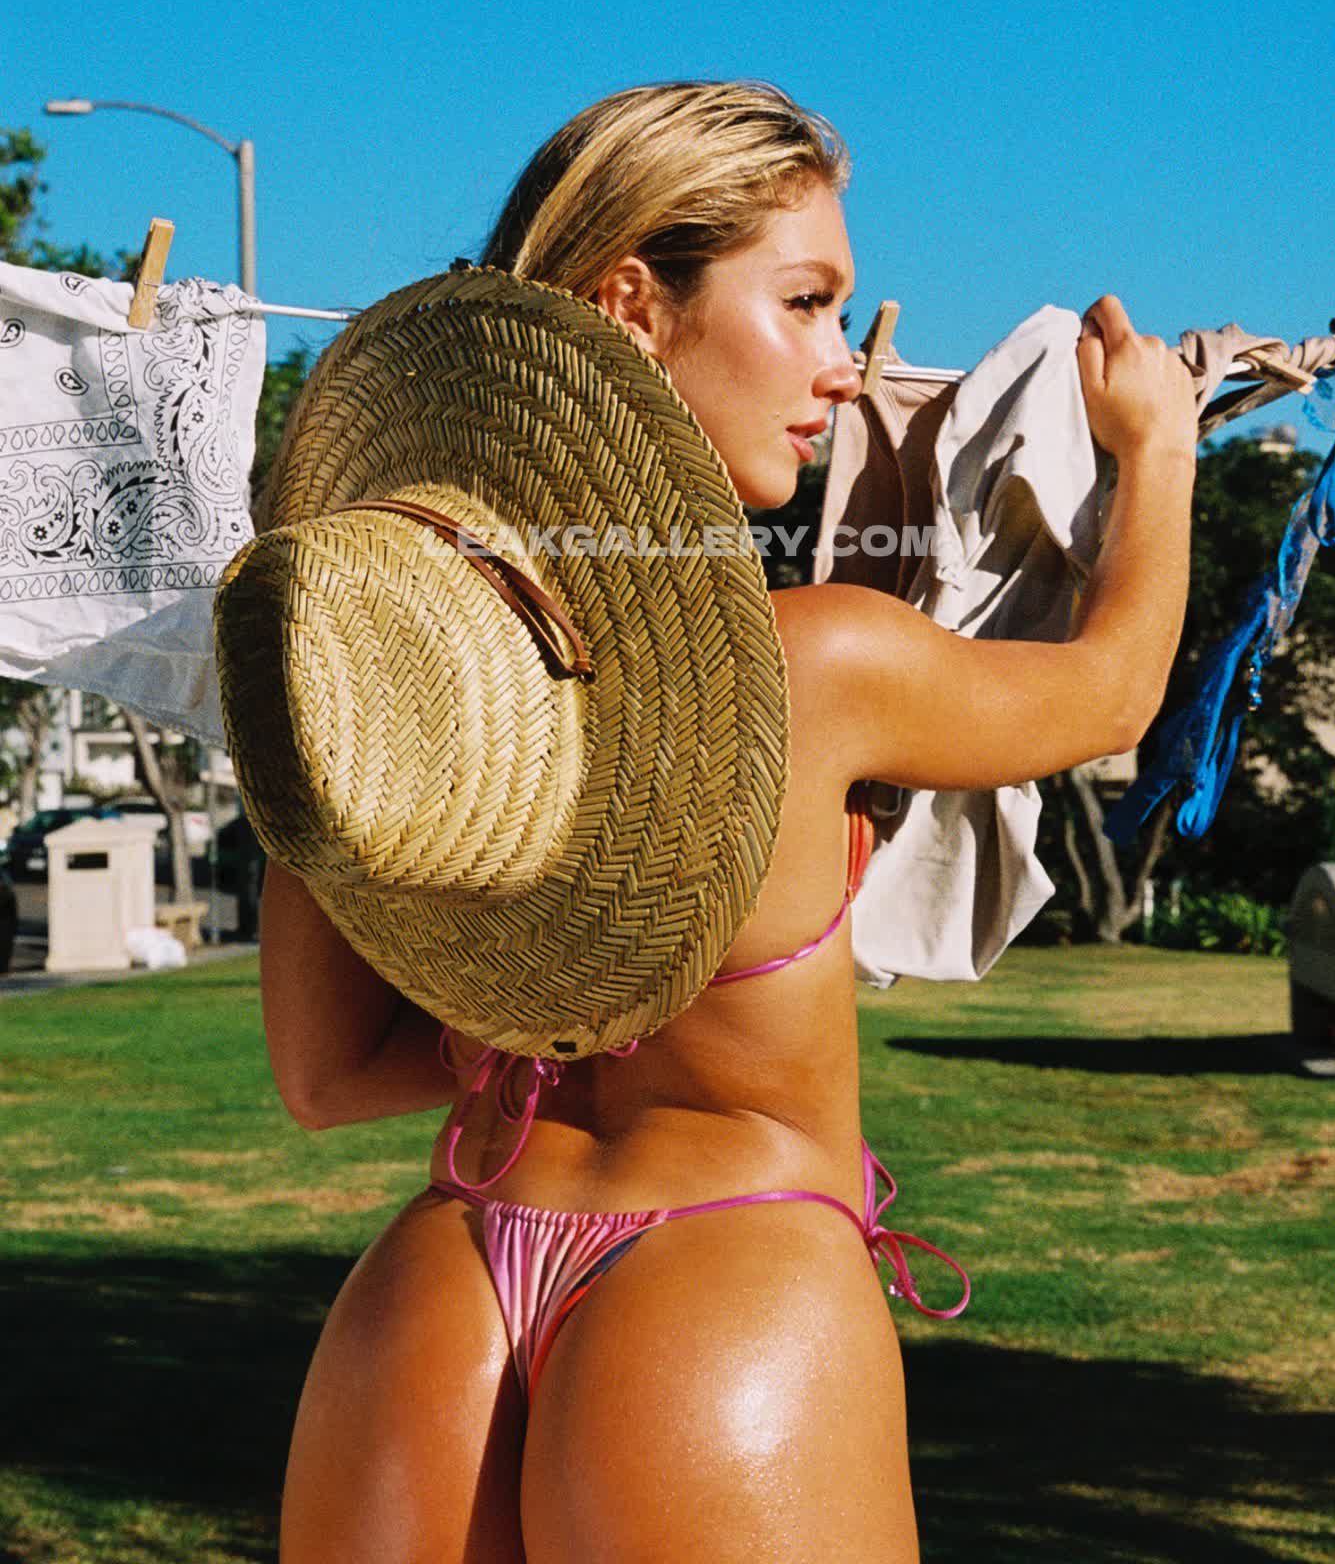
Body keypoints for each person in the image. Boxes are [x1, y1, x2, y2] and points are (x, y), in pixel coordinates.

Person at [231, 82, 1198, 1563]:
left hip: (433, 1289)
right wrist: (1159, 453)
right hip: (723, 1282)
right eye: (804, 303)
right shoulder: (816, 663)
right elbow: (1112, 693)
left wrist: (550, 1015)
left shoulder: (388, 680)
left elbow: (324, 1077)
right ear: (633, 304)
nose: (842, 368)